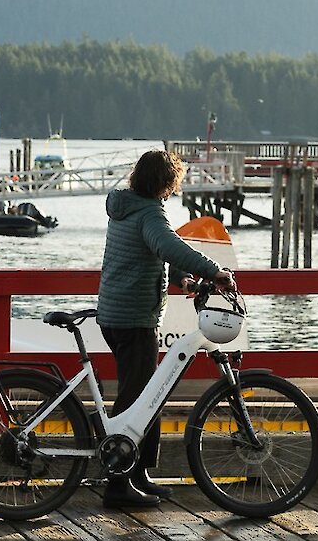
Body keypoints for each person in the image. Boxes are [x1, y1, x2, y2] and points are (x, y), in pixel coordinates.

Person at [96, 148, 235, 509]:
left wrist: (183, 281)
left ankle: (138, 472)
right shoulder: (148, 211)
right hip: (132, 318)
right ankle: (118, 483)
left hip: (119, 313)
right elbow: (168, 244)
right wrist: (213, 270)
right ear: (165, 183)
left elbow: (150, 252)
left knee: (149, 393)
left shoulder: (127, 208)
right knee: (139, 398)